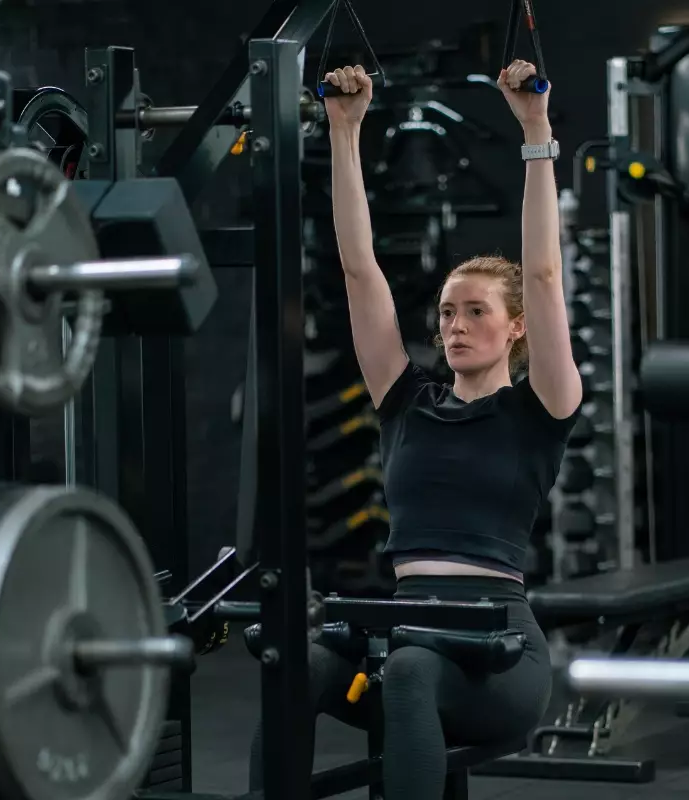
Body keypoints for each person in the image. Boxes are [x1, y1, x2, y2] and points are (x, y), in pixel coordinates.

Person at [249, 59, 583, 800]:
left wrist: (535, 130)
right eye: (447, 313)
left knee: (407, 672)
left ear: (515, 328)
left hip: (496, 654)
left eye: (476, 312)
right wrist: (345, 131)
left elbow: (543, 275)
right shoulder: (406, 402)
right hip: (405, 630)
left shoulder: (541, 408)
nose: (455, 325)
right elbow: (359, 271)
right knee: (294, 667)